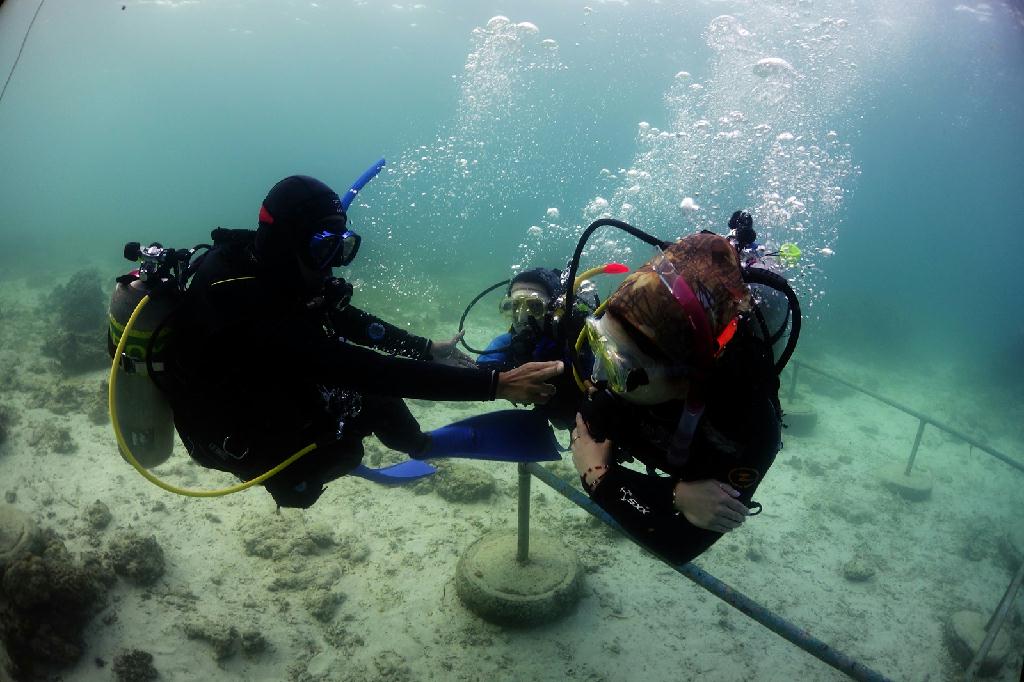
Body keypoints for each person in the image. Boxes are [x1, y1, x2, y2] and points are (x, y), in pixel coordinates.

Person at [164, 174, 563, 508]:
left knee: (365, 398)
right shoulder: (247, 308)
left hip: (262, 383)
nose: (334, 262)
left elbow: (339, 315)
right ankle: (401, 449)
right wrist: (496, 385)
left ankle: (404, 442)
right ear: (288, 241)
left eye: (341, 247)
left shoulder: (261, 263)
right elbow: (368, 371)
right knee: (354, 432)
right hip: (235, 437)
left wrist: (424, 348)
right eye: (323, 248)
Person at [569, 229, 798, 564]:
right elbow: (585, 432)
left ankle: (755, 256)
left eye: (621, 366)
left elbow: (679, 544)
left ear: (684, 380)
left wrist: (598, 478)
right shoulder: (628, 379)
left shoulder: (748, 427)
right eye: (601, 345)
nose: (599, 377)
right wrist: (675, 495)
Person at [476, 267, 599, 430]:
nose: (522, 317)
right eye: (515, 306)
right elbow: (481, 368)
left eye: (534, 306)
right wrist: (508, 378)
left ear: (554, 309)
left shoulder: (577, 340)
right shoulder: (510, 341)